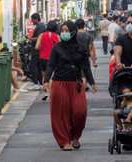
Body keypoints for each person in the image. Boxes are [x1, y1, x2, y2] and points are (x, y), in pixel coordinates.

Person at [43, 20, 97, 151]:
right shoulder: (57, 48)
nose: (64, 33)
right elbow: (50, 65)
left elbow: (86, 67)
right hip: (59, 83)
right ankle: (65, 140)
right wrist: (45, 81)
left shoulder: (81, 49)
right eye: (62, 31)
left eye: (67, 31)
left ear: (73, 32)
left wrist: (92, 82)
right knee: (61, 114)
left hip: (76, 84)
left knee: (80, 112)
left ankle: (75, 136)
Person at [35, 19, 60, 100]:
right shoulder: (57, 36)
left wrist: (43, 47)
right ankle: (51, 93)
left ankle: (45, 93)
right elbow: (60, 48)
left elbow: (36, 47)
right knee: (52, 76)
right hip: (53, 59)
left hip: (42, 58)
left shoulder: (41, 35)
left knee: (44, 75)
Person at [25, 13, 46, 90]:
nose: (32, 21)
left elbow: (38, 38)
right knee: (38, 67)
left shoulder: (40, 26)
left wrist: (29, 38)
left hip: (37, 50)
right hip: (38, 50)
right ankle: (39, 83)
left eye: (32, 19)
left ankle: (36, 83)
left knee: (33, 66)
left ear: (36, 19)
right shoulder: (40, 26)